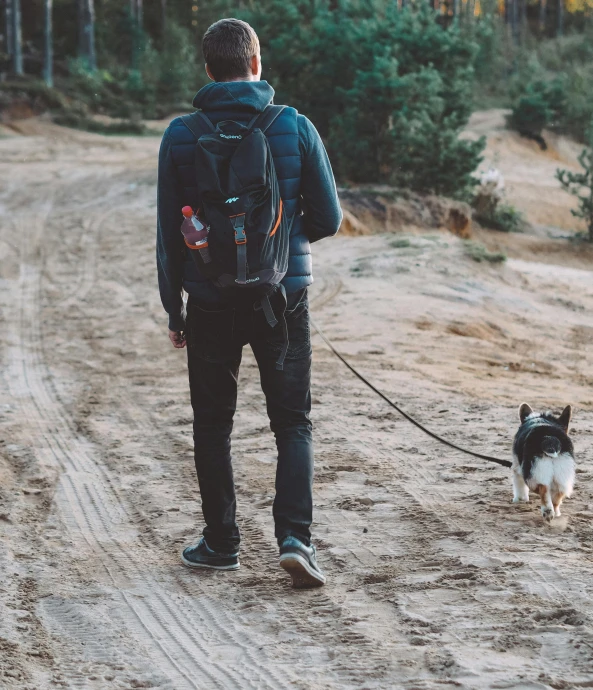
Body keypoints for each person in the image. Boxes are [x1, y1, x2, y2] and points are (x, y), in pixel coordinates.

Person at [156, 17, 341, 588]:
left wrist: (174, 310)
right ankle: (295, 539)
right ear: (256, 65)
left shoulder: (181, 135)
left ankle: (221, 543)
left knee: (213, 425)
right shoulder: (294, 125)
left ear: (208, 70)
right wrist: (283, 246)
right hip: (282, 299)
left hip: (210, 302)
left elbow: (168, 235)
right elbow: (330, 218)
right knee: (293, 423)